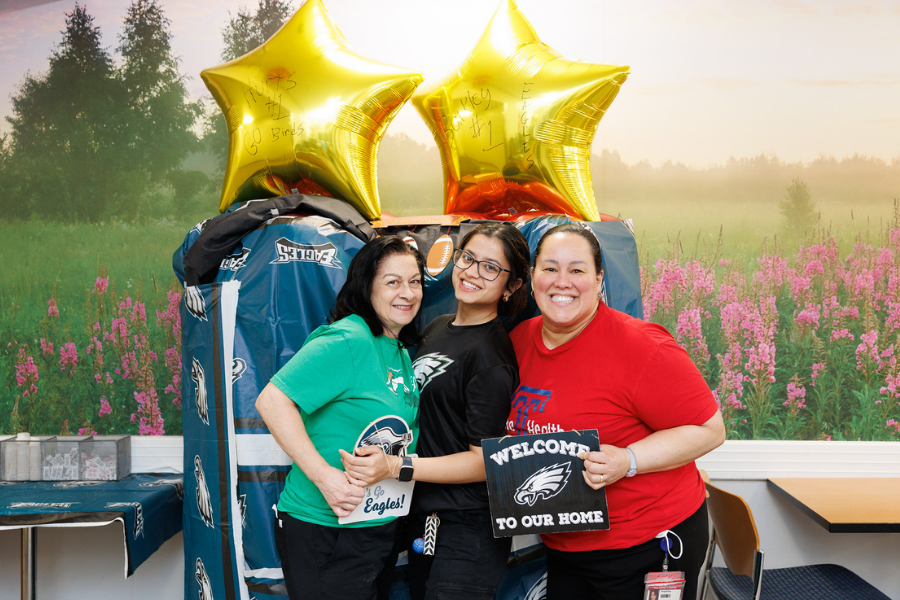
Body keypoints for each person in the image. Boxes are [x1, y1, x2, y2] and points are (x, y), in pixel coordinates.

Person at [505, 224, 725, 600]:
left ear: (599, 278)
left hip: (647, 546)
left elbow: (709, 429)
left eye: (577, 270)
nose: (563, 282)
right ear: (532, 276)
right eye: (550, 268)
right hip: (566, 548)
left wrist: (629, 459)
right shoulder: (517, 341)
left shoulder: (642, 346)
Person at [342, 223, 531, 600]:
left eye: (491, 268)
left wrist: (397, 467)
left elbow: (485, 461)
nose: (472, 272)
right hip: (424, 517)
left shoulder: (491, 357)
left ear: (511, 287)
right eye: (468, 258)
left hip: (468, 527)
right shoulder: (437, 327)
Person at [256, 235, 425, 600]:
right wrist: (325, 478)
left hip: (374, 525)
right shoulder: (349, 340)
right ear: (367, 287)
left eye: (415, 282)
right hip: (325, 529)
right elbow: (272, 401)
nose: (407, 293)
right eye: (393, 282)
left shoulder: (396, 348)